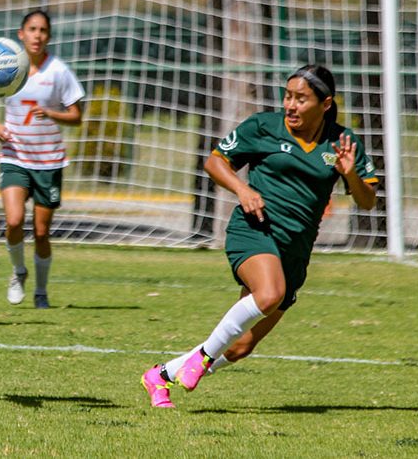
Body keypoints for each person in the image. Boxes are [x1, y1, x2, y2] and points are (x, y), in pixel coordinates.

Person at [140, 65, 378, 408]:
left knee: (239, 347)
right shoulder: (262, 127)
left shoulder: (342, 142)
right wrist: (242, 189)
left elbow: (367, 201)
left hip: (295, 250)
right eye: (288, 96)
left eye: (301, 99)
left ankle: (160, 375)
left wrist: (350, 174)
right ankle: (202, 357)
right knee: (268, 295)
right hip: (255, 231)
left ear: (325, 104)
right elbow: (215, 162)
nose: (291, 105)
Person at [0, 10, 85, 309]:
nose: (37, 35)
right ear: (21, 33)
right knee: (13, 221)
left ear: (49, 36)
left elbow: (77, 116)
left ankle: (41, 290)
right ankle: (18, 271)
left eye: (42, 30)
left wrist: (52, 113)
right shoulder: (8, 67)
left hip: (48, 161)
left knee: (41, 232)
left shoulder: (59, 71)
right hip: (15, 157)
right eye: (32, 29)